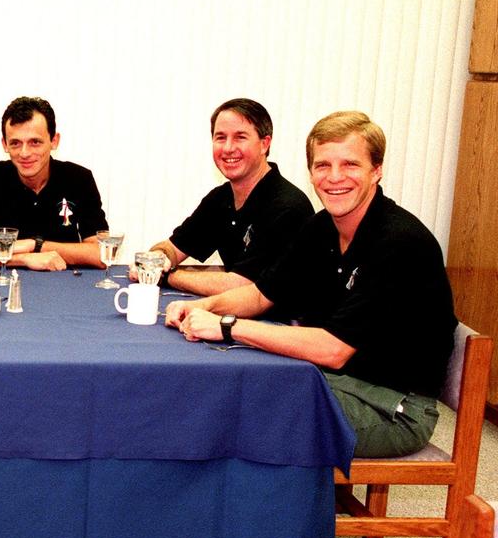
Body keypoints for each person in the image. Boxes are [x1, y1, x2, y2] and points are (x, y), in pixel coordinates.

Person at [165, 111, 456, 458]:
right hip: (335, 380)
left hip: (393, 408)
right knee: (226, 385)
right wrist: (200, 308)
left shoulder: (400, 242)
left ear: (376, 170)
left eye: (350, 165)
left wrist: (226, 327)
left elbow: (333, 349)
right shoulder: (322, 228)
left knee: (242, 413)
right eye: (322, 166)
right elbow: (260, 295)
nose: (334, 178)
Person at [135, 99, 312, 295]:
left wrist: (167, 275)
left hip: (282, 323)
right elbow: (172, 248)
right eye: (220, 137)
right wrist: (159, 259)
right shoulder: (221, 198)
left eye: (240, 137)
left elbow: (242, 285)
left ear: (264, 144)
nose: (228, 148)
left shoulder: (287, 206)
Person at [0, 96, 107, 271]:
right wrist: (24, 259)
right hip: (1, 285)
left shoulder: (79, 179)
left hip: (63, 285)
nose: (25, 153)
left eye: (35, 142)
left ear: (54, 141)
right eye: (15, 143)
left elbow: (102, 253)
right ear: (4, 144)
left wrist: (34, 245)